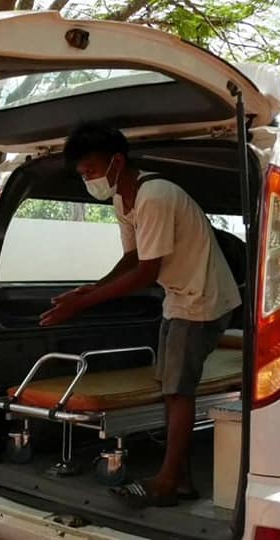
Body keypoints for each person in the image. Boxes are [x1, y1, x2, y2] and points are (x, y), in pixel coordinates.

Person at [40, 124, 240, 507]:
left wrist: (84, 303)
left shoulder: (155, 196)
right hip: (179, 298)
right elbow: (131, 258)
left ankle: (167, 482)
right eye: (82, 174)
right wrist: (89, 289)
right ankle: (180, 478)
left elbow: (147, 272)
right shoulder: (123, 199)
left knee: (178, 391)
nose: (88, 180)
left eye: (91, 170)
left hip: (202, 299)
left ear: (117, 161)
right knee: (170, 388)